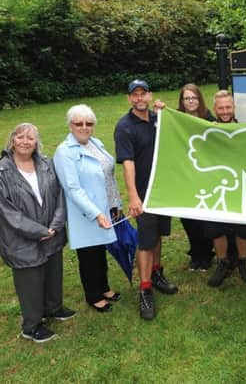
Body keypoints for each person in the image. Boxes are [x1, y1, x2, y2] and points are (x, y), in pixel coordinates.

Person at [0, 123, 74, 343]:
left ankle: (54, 308)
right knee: (29, 281)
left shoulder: (46, 164)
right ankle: (31, 326)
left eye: (30, 138)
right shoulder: (3, 171)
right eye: (20, 137)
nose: (25, 141)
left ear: (36, 142)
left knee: (53, 272)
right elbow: (7, 212)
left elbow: (60, 194)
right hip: (21, 238)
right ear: (12, 140)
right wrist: (38, 231)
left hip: (52, 231)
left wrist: (56, 224)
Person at [114, 79, 178, 321]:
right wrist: (133, 195)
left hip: (164, 190)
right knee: (145, 241)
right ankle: (145, 289)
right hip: (144, 194)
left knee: (157, 235)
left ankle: (156, 272)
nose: (140, 98)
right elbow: (127, 163)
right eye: (135, 95)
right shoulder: (124, 127)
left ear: (150, 96)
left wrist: (164, 110)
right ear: (129, 98)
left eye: (143, 94)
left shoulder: (157, 119)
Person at [54, 105, 122, 313]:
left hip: (106, 206)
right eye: (78, 123)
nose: (84, 127)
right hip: (86, 212)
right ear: (70, 125)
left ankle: (104, 287)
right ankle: (93, 295)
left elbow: (109, 176)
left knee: (101, 250)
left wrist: (115, 204)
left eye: (89, 123)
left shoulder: (96, 143)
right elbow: (73, 189)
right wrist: (96, 213)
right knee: (89, 254)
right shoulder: (64, 152)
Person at [205, 90, 246, 287]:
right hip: (216, 186)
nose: (225, 111)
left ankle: (243, 262)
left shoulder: (244, 130)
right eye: (221, 108)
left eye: (228, 107)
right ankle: (223, 262)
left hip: (241, 186)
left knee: (242, 227)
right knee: (216, 228)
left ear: (234, 108)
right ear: (215, 109)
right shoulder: (207, 130)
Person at [177, 83, 217, 271]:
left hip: (205, 175)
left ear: (200, 99)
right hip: (184, 175)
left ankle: (207, 254)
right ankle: (195, 253)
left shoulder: (209, 119)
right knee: (187, 217)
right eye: (187, 98)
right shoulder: (175, 120)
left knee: (205, 218)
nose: (191, 101)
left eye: (194, 97)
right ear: (182, 101)